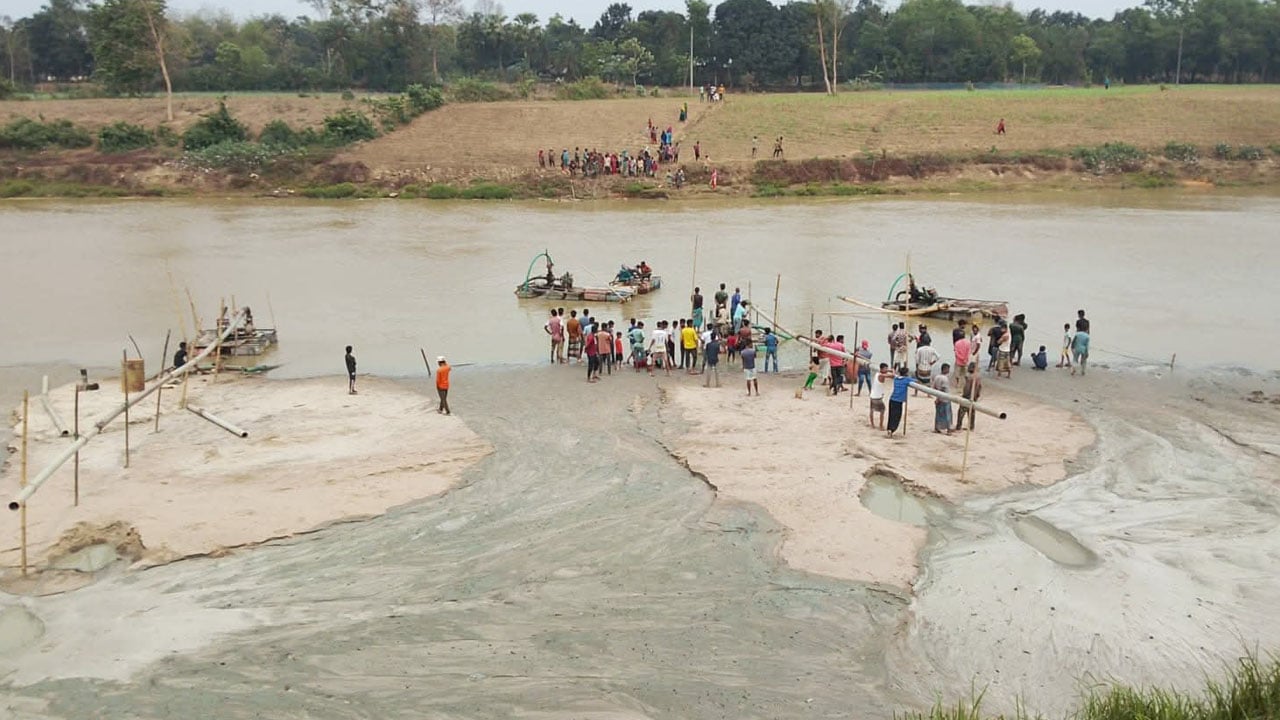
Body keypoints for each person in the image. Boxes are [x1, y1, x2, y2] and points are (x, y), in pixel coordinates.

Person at [886, 366, 911, 438]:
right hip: (898, 401)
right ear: (906, 374)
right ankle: (892, 429)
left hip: (892, 399)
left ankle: (889, 429)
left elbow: (894, 374)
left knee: (891, 416)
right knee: (897, 416)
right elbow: (915, 381)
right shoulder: (906, 380)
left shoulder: (896, 379)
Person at [955, 363, 981, 431]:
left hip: (968, 397)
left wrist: (964, 396)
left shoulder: (969, 377)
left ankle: (959, 426)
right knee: (971, 412)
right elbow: (979, 388)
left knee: (961, 412)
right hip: (974, 397)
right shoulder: (978, 377)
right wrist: (977, 395)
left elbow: (967, 388)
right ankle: (971, 426)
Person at [932, 363, 952, 435]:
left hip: (939, 398)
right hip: (945, 399)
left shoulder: (937, 377)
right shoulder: (945, 379)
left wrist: (937, 397)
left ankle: (937, 427)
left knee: (938, 414)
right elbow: (943, 389)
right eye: (948, 369)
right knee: (947, 415)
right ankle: (949, 429)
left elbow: (934, 387)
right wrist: (940, 398)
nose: (949, 370)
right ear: (945, 369)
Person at [869, 363, 889, 430]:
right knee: (882, 411)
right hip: (877, 397)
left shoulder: (877, 373)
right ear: (881, 369)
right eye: (885, 368)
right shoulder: (881, 375)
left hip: (873, 395)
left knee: (872, 410)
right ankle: (880, 425)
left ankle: (872, 425)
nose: (886, 370)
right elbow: (892, 376)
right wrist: (893, 371)